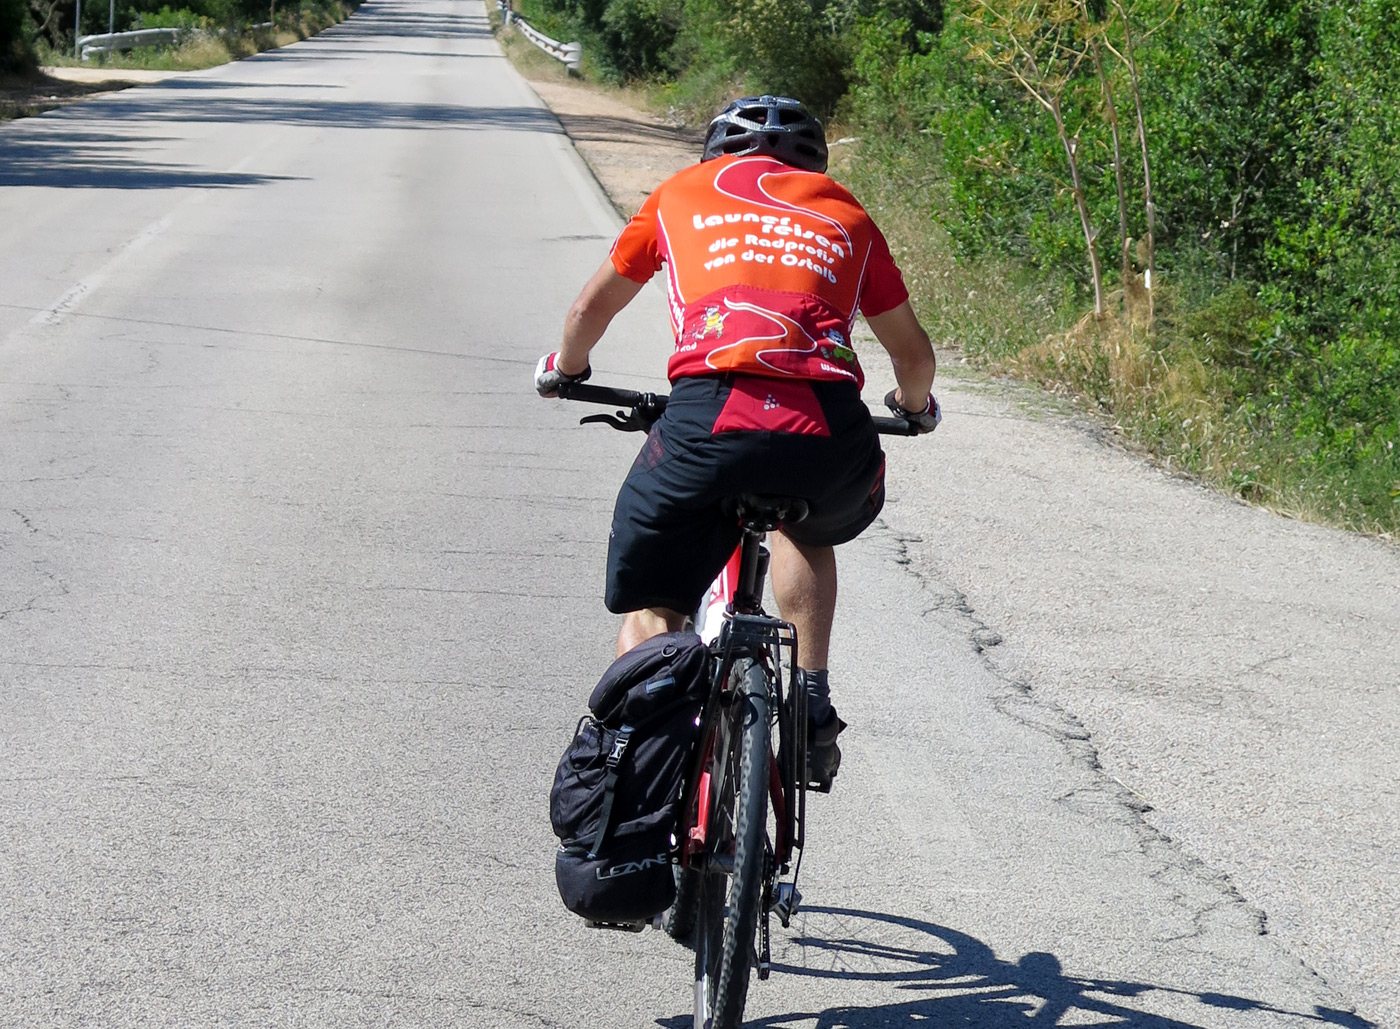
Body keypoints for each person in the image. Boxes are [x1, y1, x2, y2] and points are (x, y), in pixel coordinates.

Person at [536, 95, 939, 789]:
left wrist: (564, 370)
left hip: (710, 415)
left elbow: (586, 310)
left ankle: (645, 755)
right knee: (805, 526)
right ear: (812, 159)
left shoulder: (679, 195)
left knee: (657, 600)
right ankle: (810, 695)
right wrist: (912, 406)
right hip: (828, 431)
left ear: (716, 154)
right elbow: (913, 356)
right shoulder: (845, 211)